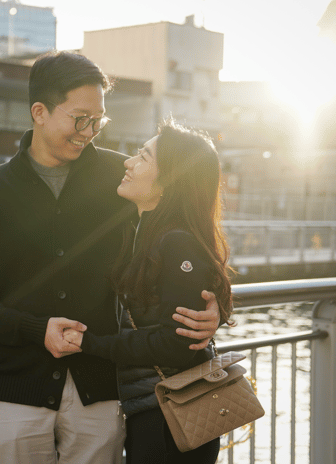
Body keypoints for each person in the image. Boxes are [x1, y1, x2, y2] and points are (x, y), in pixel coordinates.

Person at [0, 51, 221, 464]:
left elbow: (191, 235)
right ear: (39, 111)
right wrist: (37, 330)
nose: (90, 131)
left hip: (102, 388)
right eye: (80, 118)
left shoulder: (122, 180)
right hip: (18, 389)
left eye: (98, 120)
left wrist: (216, 307)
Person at [63, 120, 234, 463]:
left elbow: (176, 344)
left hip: (172, 416)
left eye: (142, 157)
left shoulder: (176, 243)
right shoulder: (149, 234)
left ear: (168, 181)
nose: (128, 162)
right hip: (157, 409)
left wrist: (89, 343)